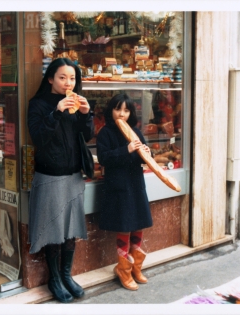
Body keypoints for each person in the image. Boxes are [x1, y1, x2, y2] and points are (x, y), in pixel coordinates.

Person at [27, 58, 94, 303]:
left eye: (73, 78)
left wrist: (87, 115)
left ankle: (67, 275)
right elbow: (38, 137)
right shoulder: (38, 104)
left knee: (70, 229)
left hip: (74, 175)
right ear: (50, 79)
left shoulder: (77, 104)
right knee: (54, 230)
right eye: (63, 77)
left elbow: (86, 136)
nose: (68, 83)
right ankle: (54, 279)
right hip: (50, 176)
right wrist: (56, 112)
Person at [96, 93, 153, 291]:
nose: (122, 114)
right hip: (118, 186)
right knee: (125, 225)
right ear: (110, 110)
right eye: (118, 109)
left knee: (137, 224)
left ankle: (136, 267)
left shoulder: (135, 131)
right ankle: (123, 269)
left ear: (131, 112)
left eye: (126, 110)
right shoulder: (105, 133)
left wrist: (146, 152)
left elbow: (144, 158)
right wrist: (126, 149)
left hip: (135, 184)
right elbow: (103, 158)